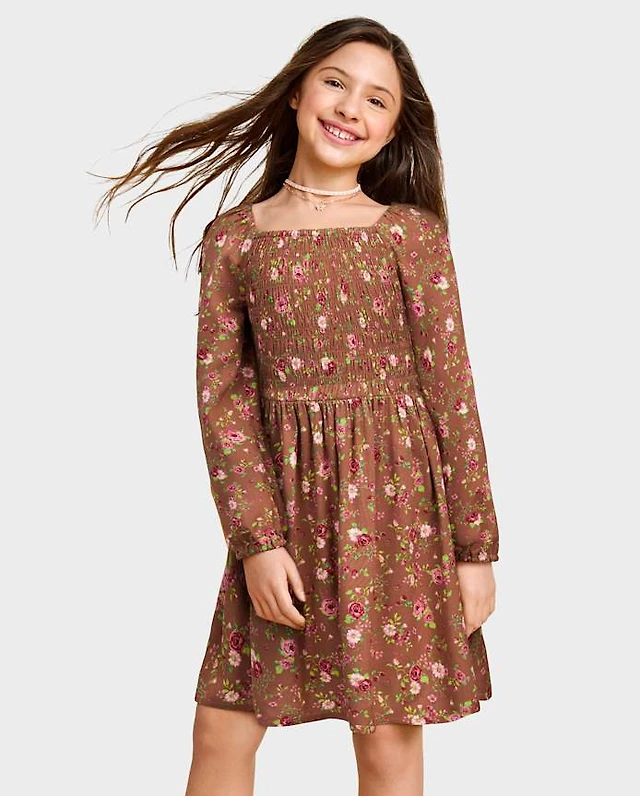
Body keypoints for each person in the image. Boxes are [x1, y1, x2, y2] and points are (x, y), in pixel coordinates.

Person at [93, 15, 500, 796]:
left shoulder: (409, 236)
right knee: (221, 727)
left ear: (393, 130)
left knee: (385, 742)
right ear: (297, 92)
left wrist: (474, 548)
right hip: (281, 512)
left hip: (395, 517)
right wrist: (256, 541)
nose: (351, 107)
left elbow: (453, 391)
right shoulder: (236, 239)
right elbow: (223, 400)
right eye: (336, 83)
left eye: (377, 100)